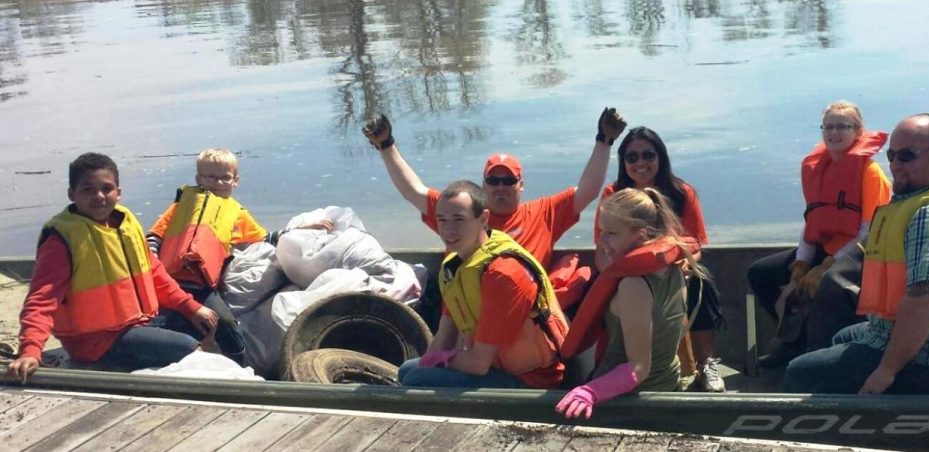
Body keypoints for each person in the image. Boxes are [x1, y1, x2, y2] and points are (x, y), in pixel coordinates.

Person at [783, 114, 929, 395]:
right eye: (892, 155)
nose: (895, 165)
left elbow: (925, 300)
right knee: (842, 336)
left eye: (907, 156)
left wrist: (886, 372)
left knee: (800, 373)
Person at [5, 153, 219, 383]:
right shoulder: (61, 240)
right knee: (189, 349)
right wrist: (30, 350)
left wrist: (190, 307)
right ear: (72, 194)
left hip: (141, 321)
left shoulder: (126, 222)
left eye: (106, 188)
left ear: (118, 192)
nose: (99, 196)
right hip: (98, 342)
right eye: (88, 190)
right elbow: (41, 301)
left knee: (210, 323)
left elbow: (154, 274)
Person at [361, 109, 626, 270]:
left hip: (521, 312)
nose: (501, 187)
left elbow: (588, 191)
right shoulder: (461, 209)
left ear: (521, 185)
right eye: (494, 180)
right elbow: (413, 191)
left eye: (508, 181)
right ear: (483, 185)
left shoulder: (545, 212)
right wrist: (386, 145)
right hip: (468, 313)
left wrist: (604, 141)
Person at [147, 148, 331, 364]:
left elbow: (265, 238)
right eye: (210, 177)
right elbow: (154, 236)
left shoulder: (236, 213)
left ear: (236, 181)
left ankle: (240, 366)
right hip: (168, 281)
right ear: (198, 179)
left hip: (202, 286)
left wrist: (301, 229)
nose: (218, 182)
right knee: (158, 322)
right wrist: (154, 266)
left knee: (228, 328)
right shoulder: (181, 205)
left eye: (225, 177)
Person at [747, 101, 891, 367]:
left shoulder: (870, 173)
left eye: (842, 127)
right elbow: (812, 221)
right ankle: (793, 343)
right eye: (828, 127)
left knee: (826, 285)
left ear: (858, 132)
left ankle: (819, 356)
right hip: (824, 250)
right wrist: (801, 264)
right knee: (761, 273)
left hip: (859, 255)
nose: (834, 133)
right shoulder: (816, 168)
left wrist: (827, 265)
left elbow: (868, 232)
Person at [397, 180, 569, 389]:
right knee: (407, 370)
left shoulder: (502, 274)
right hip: (493, 366)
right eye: (442, 220)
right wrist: (430, 360)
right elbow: (444, 337)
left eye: (459, 220)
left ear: (484, 219)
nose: (448, 230)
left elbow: (478, 364)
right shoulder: (457, 267)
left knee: (416, 380)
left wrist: (441, 360)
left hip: (532, 380)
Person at [594, 126, 724, 392]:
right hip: (625, 273)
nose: (640, 163)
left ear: (660, 157)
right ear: (623, 161)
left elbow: (695, 245)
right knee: (595, 295)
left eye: (648, 155)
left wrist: (682, 264)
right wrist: (620, 274)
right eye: (632, 157)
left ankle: (704, 363)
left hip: (671, 270)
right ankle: (596, 362)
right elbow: (602, 249)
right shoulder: (613, 193)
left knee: (703, 282)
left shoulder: (681, 192)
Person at [557, 188, 702, 419]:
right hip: (668, 385)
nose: (602, 241)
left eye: (612, 233)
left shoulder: (633, 286)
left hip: (631, 401)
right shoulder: (674, 268)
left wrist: (590, 392)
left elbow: (639, 368)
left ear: (641, 235)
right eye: (602, 231)